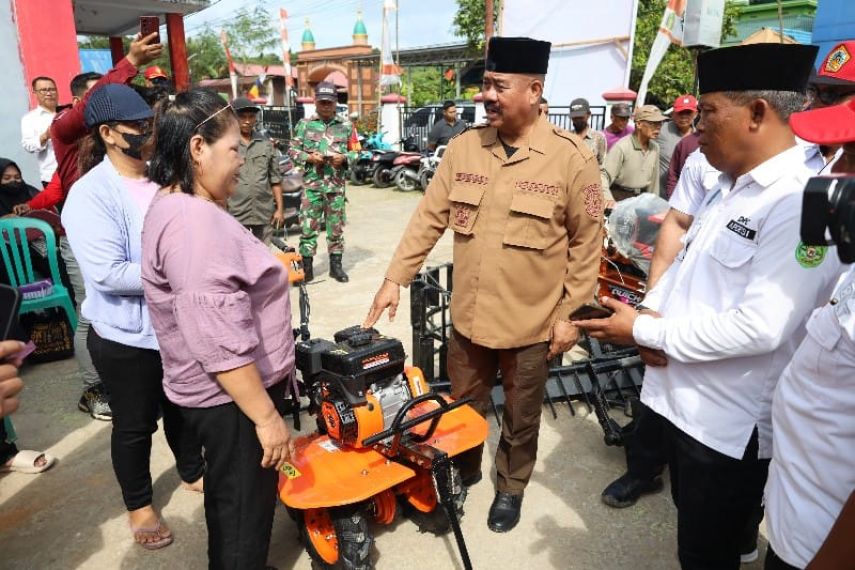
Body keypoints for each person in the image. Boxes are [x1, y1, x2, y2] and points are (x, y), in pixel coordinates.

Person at [575, 43, 845, 569]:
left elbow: (762, 327)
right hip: (685, 407)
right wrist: (652, 312)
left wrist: (647, 333)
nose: (697, 125)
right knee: (699, 542)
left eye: (710, 111)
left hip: (725, 428)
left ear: (757, 114)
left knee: (707, 554)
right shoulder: (730, 185)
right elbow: (687, 266)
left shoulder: (795, 198)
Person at [364, 36, 603, 534]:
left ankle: (511, 487)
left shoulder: (571, 158)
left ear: (535, 90)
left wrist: (571, 317)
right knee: (463, 405)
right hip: (470, 320)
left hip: (533, 324)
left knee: (521, 416)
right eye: (486, 85)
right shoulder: (465, 147)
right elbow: (428, 219)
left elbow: (587, 244)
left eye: (499, 85)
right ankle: (466, 468)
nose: (487, 95)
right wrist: (394, 279)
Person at [144, 89, 296, 569]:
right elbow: (218, 343)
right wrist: (268, 419)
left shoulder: (179, 204)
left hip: (223, 395)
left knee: (232, 498)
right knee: (243, 507)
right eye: (233, 150)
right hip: (233, 399)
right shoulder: (194, 224)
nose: (241, 163)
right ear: (196, 149)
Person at [61, 84, 204, 551]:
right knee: (135, 425)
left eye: (150, 124)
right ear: (107, 133)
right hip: (127, 337)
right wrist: (180, 271)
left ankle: (191, 469)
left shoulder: (164, 177)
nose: (148, 133)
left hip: (175, 328)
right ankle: (140, 505)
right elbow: (106, 274)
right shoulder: (90, 195)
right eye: (137, 127)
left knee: (183, 409)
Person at [15, 32, 163, 422]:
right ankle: (93, 389)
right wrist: (128, 63)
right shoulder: (66, 130)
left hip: (123, 230)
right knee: (92, 315)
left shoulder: (119, 156)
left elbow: (57, 187)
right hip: (84, 240)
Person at [762, 96, 855, 570]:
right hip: (798, 523)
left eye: (852, 157)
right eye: (833, 155)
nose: (834, 176)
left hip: (823, 550)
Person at [288, 81, 359, 283]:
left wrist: (345, 158)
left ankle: (335, 268)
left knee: (335, 228)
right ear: (315, 102)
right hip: (312, 188)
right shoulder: (304, 125)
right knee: (308, 228)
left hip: (335, 188)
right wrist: (309, 158)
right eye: (322, 102)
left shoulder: (346, 126)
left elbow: (358, 152)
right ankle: (307, 269)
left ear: (336, 102)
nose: (326, 106)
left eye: (329, 102)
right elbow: (292, 151)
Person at [226, 97, 284, 245]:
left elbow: (275, 179)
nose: (247, 121)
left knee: (264, 256)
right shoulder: (226, 144)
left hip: (263, 211)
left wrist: (280, 210)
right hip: (236, 211)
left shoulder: (265, 144)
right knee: (239, 255)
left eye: (251, 116)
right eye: (242, 117)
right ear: (233, 118)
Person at [601, 104, 666, 203]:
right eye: (653, 123)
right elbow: (603, 176)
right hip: (620, 198)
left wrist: (653, 203)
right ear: (639, 124)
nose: (658, 128)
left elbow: (654, 182)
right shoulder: (622, 147)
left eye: (660, 123)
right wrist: (609, 200)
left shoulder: (655, 148)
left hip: (643, 201)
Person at [20, 76, 58, 187]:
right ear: (35, 92)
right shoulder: (30, 118)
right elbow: (28, 145)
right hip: (51, 176)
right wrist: (45, 136)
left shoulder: (67, 112)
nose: (49, 93)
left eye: (52, 89)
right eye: (44, 90)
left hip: (77, 173)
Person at [657, 94, 697, 194]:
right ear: (673, 113)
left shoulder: (700, 138)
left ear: (695, 114)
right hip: (660, 194)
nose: (683, 116)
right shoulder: (661, 130)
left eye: (688, 112)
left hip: (687, 196)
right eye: (680, 112)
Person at [569, 97, 606, 165]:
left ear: (588, 114)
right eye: (575, 117)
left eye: (580, 117)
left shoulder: (598, 138)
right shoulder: (567, 137)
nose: (578, 120)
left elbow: (602, 165)